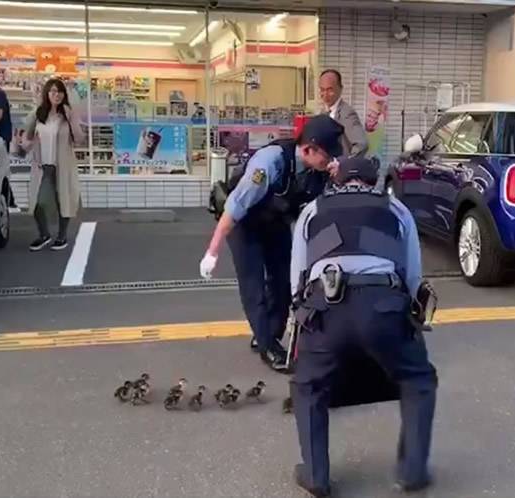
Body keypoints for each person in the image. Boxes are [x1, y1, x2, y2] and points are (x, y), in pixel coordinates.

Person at [289, 156, 438, 497]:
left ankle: (316, 475)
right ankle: (412, 472)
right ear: (375, 182)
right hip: (382, 302)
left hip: (325, 305)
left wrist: (303, 320)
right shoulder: (395, 209)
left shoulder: (312, 210)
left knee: (309, 387)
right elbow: (412, 276)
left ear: (335, 181)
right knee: (418, 379)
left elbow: (296, 279)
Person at [200, 115, 344, 372]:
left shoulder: (318, 170)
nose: (331, 160)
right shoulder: (270, 163)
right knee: (253, 283)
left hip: (275, 221)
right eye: (328, 154)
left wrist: (336, 178)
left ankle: (268, 334)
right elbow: (234, 209)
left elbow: (320, 211)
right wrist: (212, 251)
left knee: (283, 281)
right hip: (245, 223)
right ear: (308, 149)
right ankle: (268, 345)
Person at [23, 78, 84, 252]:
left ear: (64, 94)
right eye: (52, 91)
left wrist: (71, 118)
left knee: (63, 201)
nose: (56, 95)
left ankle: (61, 235)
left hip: (62, 166)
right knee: (38, 203)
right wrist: (21, 146)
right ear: (47, 94)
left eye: (59, 91)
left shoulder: (68, 114)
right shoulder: (38, 113)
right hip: (43, 166)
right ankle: (44, 234)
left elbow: (79, 139)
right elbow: (27, 138)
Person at [319, 69, 368, 158]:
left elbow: (361, 144)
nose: (325, 94)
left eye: (330, 90)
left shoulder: (347, 113)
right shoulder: (324, 112)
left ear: (340, 89)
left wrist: (345, 165)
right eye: (322, 90)